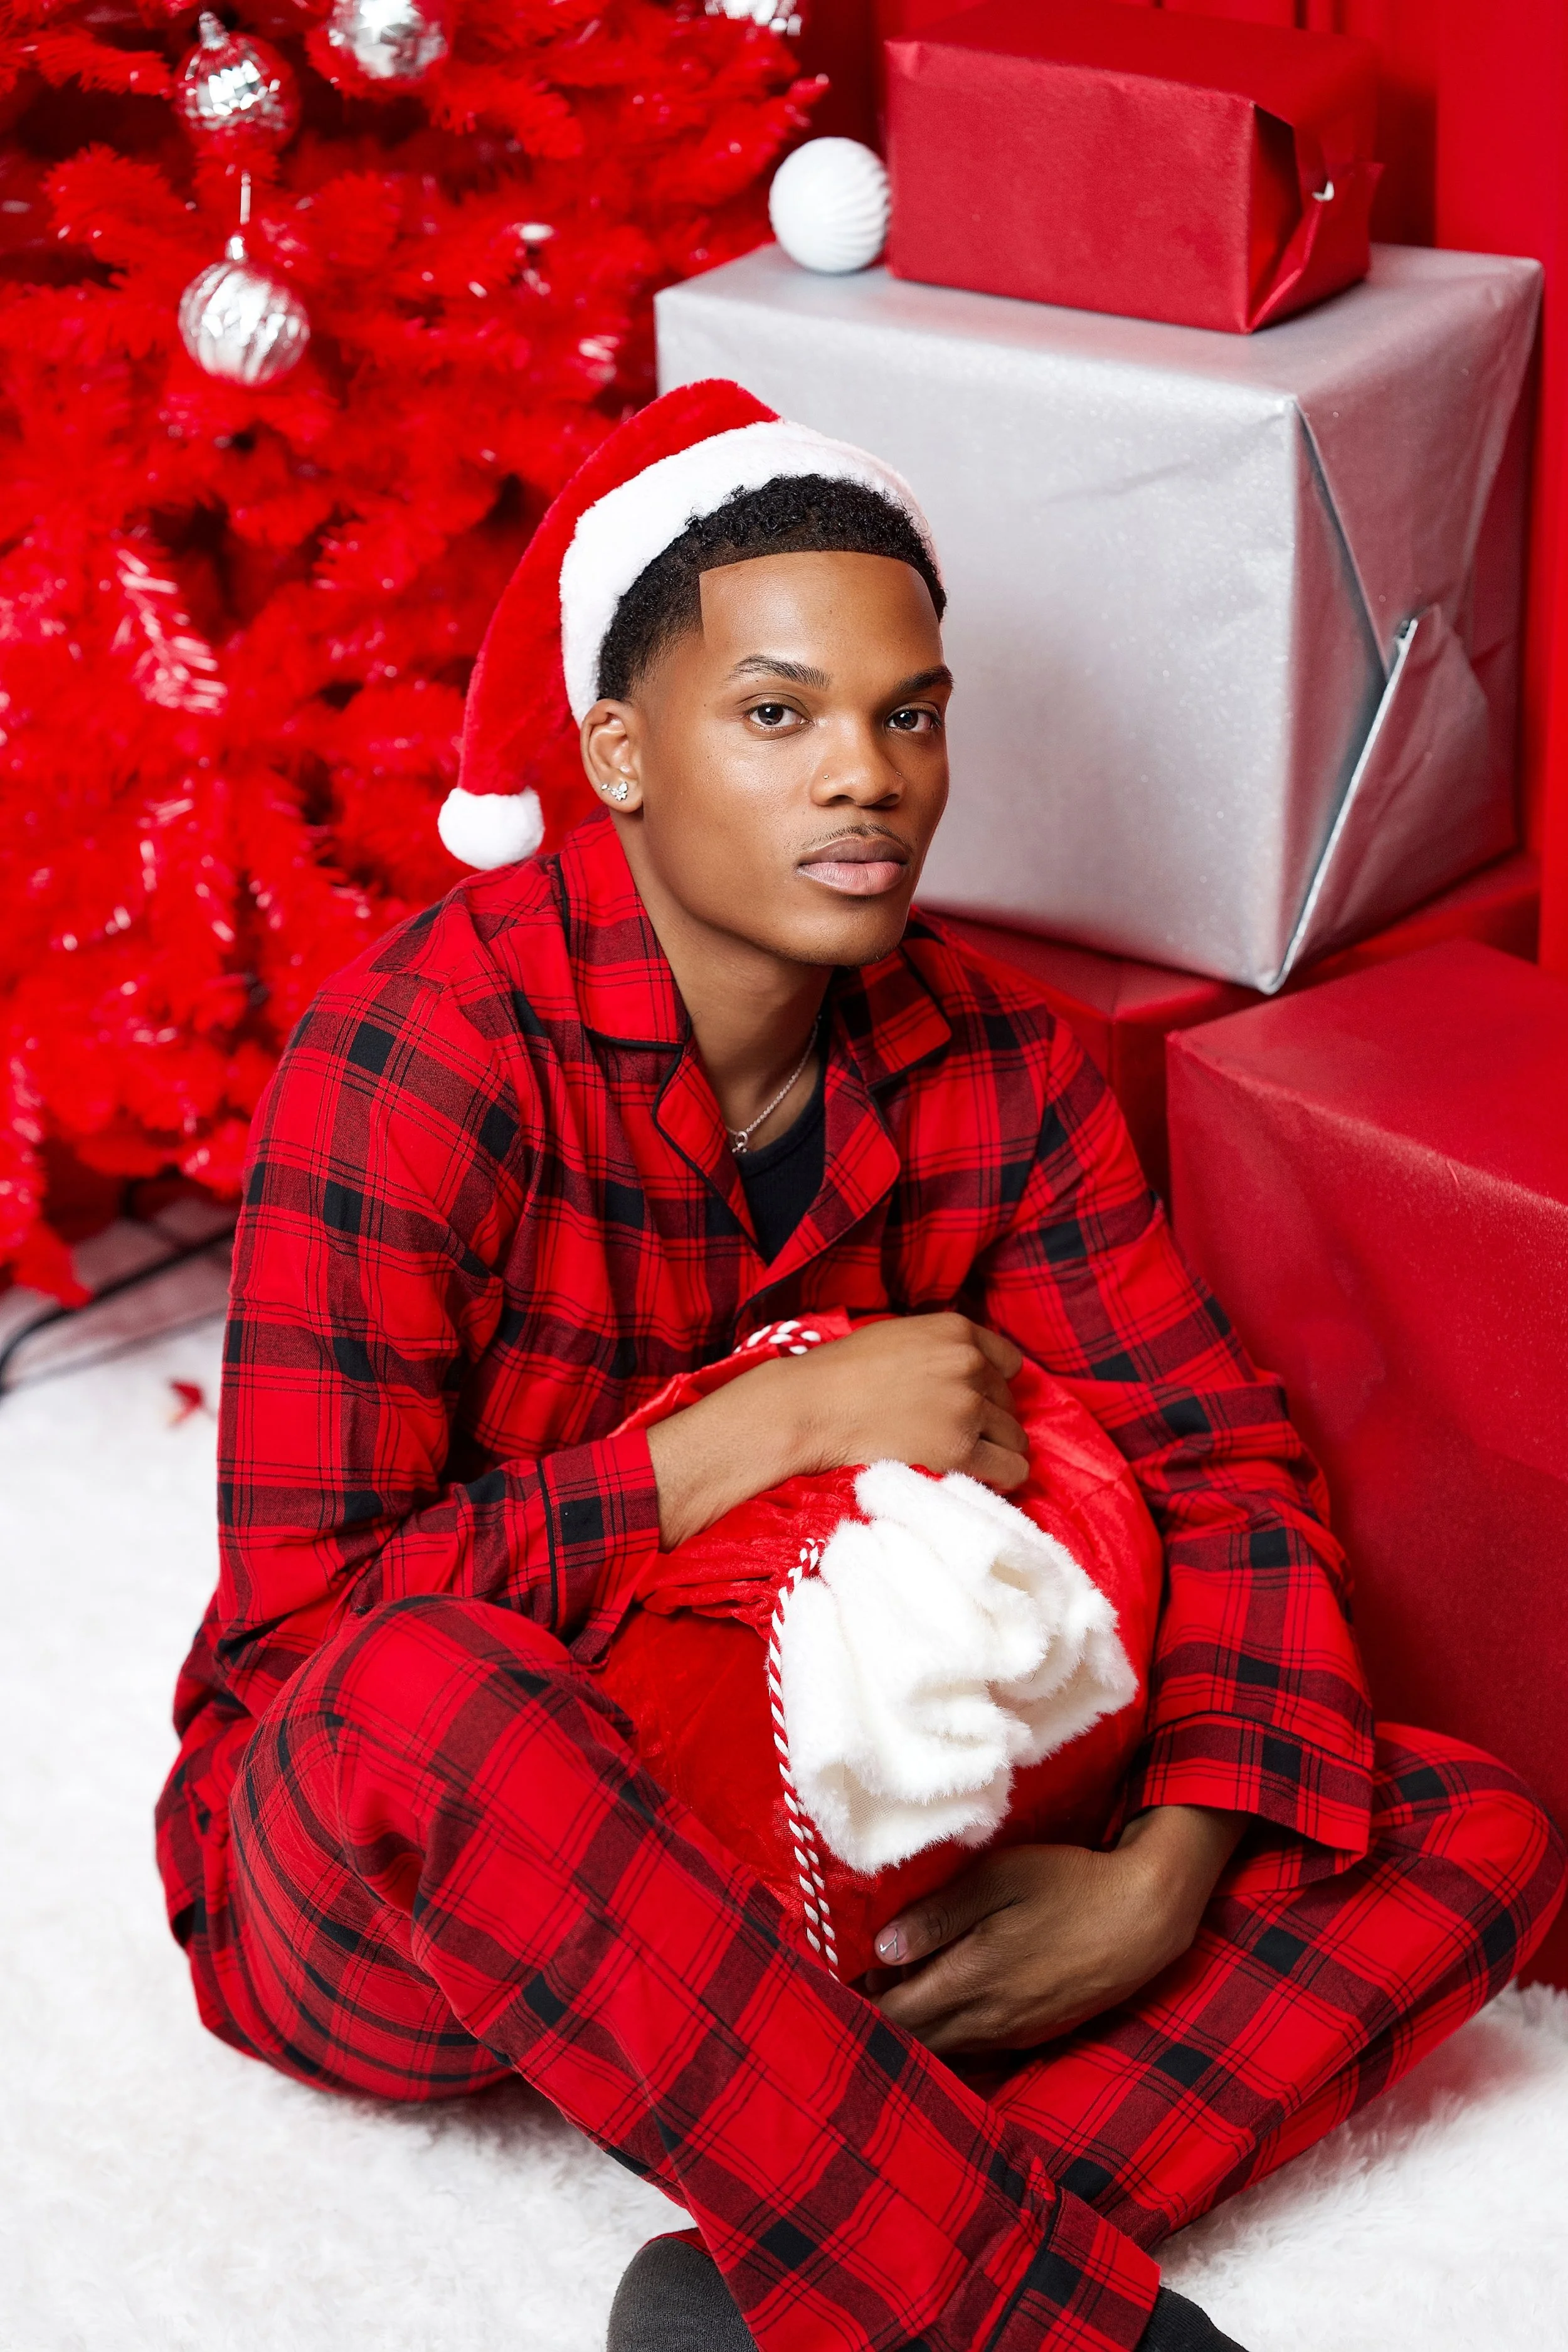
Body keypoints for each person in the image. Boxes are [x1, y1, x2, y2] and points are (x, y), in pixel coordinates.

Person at [157, 381, 1564, 2352]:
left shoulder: (988, 1060)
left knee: (1460, 1826)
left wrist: (1157, 1879)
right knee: (427, 1685)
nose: (868, 777)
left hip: (809, 1855)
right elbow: (309, 1650)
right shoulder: (414, 1061)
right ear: (620, 751)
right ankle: (1017, 2310)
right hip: (426, 1897)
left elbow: (1222, 1469)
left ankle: (768, 2283)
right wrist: (740, 1442)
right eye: (779, 713)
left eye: (909, 712)